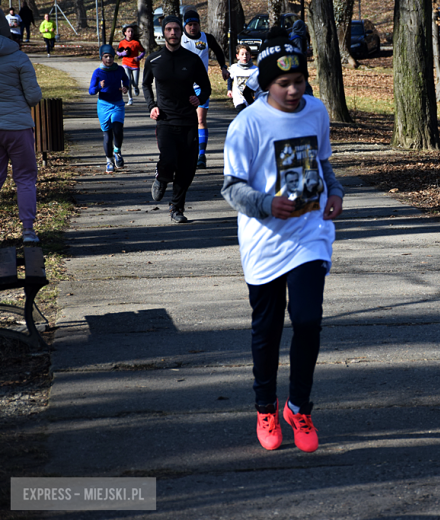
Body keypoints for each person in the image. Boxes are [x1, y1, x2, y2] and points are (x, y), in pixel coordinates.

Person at [221, 27, 344, 453]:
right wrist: (265, 204)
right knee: (268, 329)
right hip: (264, 239)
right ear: (266, 83)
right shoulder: (247, 125)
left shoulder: (317, 110)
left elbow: (324, 162)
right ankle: (265, 407)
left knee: (308, 320)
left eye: (299, 82)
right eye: (283, 84)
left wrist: (337, 193)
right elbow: (231, 188)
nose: (293, 91)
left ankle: (300, 406)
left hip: (310, 233)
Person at [142, 14, 211, 224]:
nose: (173, 33)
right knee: (169, 158)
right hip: (165, 120)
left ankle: (176, 208)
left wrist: (198, 98)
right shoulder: (153, 60)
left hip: (188, 120)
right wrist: (152, 106)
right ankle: (161, 177)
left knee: (187, 168)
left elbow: (206, 86)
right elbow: (145, 85)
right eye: (169, 29)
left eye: (176, 29)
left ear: (181, 33)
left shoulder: (192, 60)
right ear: (163, 33)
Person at [0, 16, 43, 244]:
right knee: (25, 178)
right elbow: (34, 96)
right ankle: (28, 231)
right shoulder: (19, 57)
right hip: (18, 127)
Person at [180, 10, 228, 169]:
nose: (192, 27)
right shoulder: (180, 38)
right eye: (189, 24)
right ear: (185, 25)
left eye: (195, 24)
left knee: (200, 119)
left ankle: (201, 155)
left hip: (201, 86)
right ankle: (186, 152)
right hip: (183, 86)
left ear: (199, 24)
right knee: (185, 120)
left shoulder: (207, 38)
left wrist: (223, 67)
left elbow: (219, 52)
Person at [89, 44, 129, 173]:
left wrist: (125, 88)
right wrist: (99, 87)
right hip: (103, 105)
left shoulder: (119, 70)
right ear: (101, 57)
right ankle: (109, 160)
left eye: (111, 57)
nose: (108, 59)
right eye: (106, 57)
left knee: (117, 129)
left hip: (117, 104)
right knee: (107, 134)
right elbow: (91, 91)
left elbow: (126, 80)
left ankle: (117, 151)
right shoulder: (98, 72)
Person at [116, 23, 145, 106]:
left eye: (132, 31)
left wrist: (139, 57)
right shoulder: (122, 42)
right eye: (128, 31)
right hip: (126, 63)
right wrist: (123, 54)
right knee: (127, 81)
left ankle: (135, 87)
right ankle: (130, 99)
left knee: (135, 82)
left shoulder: (136, 43)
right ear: (125, 33)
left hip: (135, 65)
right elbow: (118, 52)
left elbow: (143, 51)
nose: (130, 33)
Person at [226, 44, 257, 113]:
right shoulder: (234, 67)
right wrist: (229, 89)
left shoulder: (255, 70)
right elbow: (230, 78)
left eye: (247, 54)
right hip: (239, 98)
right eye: (242, 54)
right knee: (242, 114)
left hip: (252, 98)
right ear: (237, 56)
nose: (244, 56)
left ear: (250, 56)